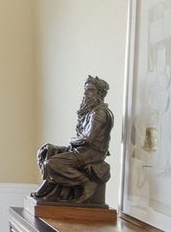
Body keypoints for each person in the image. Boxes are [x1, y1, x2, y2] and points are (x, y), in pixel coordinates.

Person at [33, 76, 113, 204]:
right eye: (85, 90)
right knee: (46, 150)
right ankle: (47, 187)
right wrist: (74, 142)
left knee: (52, 163)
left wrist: (72, 140)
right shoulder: (89, 112)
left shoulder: (99, 113)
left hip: (91, 152)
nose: (86, 93)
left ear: (99, 93)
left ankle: (85, 182)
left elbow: (88, 139)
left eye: (90, 90)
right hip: (80, 148)